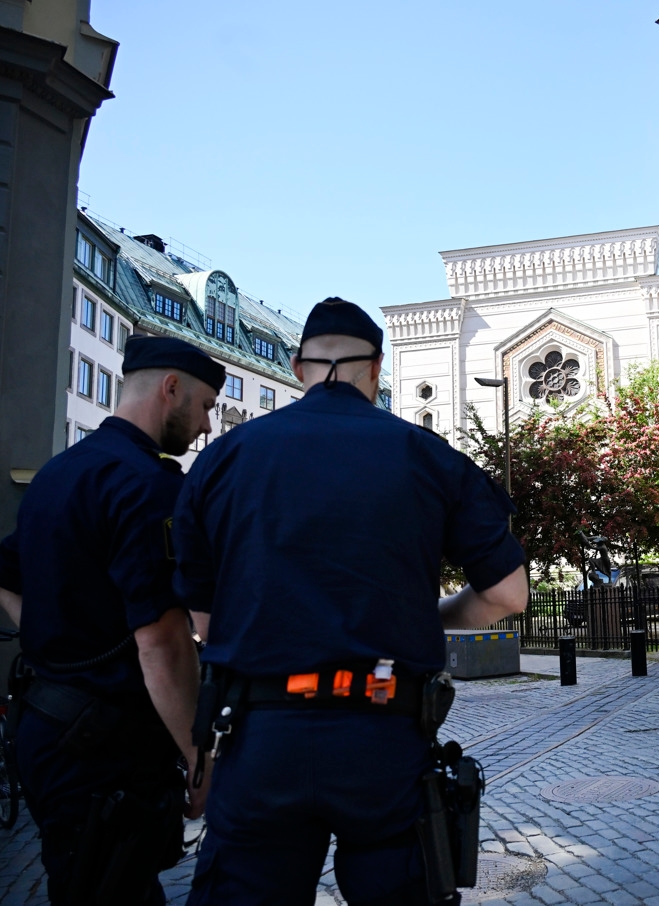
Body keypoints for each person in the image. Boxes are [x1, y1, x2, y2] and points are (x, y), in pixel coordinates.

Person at [172, 297, 528, 906]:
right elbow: (508, 593)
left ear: (296, 367)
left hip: (263, 737)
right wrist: (435, 616)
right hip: (383, 731)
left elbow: (205, 618)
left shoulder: (226, 457)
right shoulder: (424, 453)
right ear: (377, 368)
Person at [0, 336, 225, 904]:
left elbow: (4, 585)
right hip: (105, 752)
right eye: (205, 406)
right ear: (171, 389)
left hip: (47, 730)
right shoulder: (148, 484)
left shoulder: (59, 471)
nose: (206, 426)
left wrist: (65, 646)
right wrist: (199, 762)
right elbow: (162, 644)